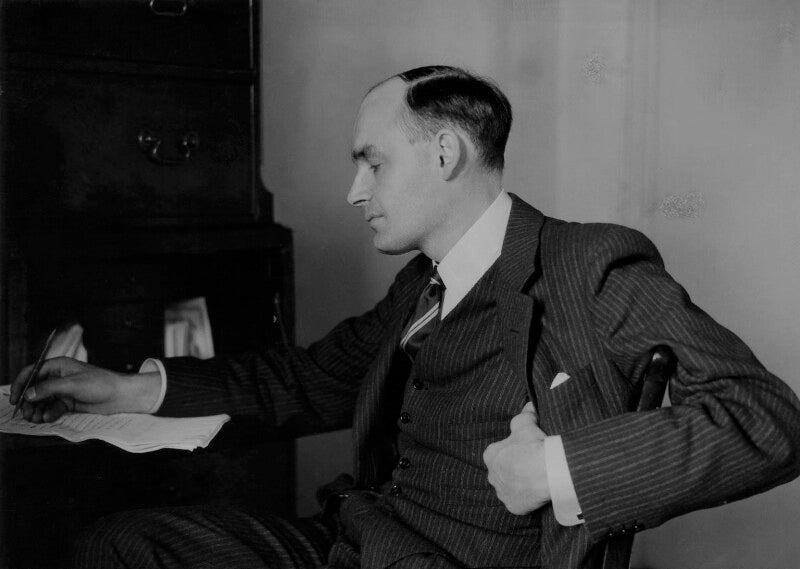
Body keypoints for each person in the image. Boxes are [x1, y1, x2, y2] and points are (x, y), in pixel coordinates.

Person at [11, 66, 800, 569]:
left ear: (445, 152)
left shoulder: (583, 264)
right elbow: (306, 379)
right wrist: (120, 388)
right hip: (351, 541)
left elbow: (768, 418)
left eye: (372, 161)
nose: (354, 191)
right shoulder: (421, 285)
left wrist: (555, 469)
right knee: (120, 545)